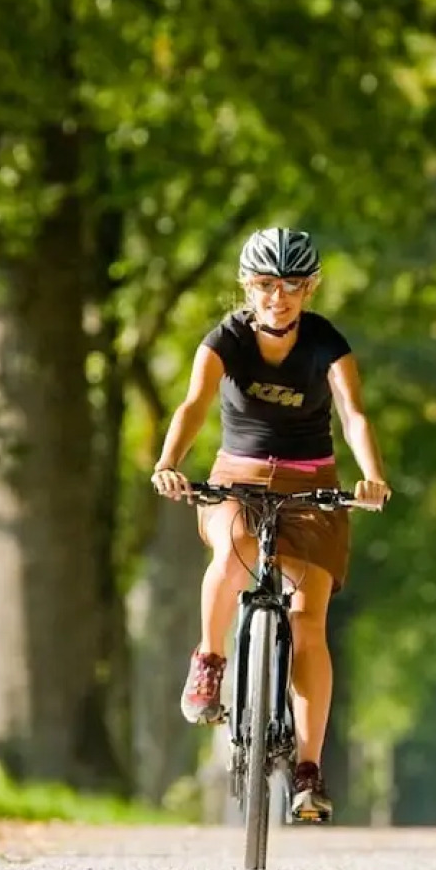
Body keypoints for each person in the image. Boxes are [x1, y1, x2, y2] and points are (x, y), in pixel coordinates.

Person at [151, 227, 391, 823]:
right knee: (231, 550)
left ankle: (308, 770)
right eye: (264, 285)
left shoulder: (326, 343)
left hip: (313, 483)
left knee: (309, 618)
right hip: (239, 474)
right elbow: (194, 405)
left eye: (289, 286)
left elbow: (352, 412)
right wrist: (168, 463)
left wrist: (372, 475)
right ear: (246, 287)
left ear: (308, 289)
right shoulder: (225, 339)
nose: (276, 297)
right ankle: (209, 661)